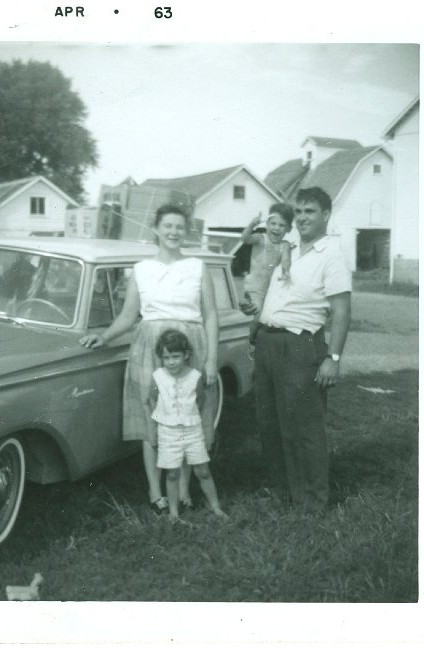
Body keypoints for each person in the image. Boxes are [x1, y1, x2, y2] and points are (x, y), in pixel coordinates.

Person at [79, 203, 219, 514]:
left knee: (186, 417)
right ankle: (155, 490)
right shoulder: (142, 268)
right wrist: (104, 336)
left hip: (190, 346)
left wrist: (210, 361)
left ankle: (182, 489)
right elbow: (129, 316)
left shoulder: (198, 266)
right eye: (167, 226)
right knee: (151, 417)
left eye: (180, 227)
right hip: (149, 346)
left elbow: (210, 316)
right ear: (155, 229)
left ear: (186, 231)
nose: (174, 232)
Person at [252, 186, 352, 511]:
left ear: (326, 215)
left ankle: (312, 499)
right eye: (299, 211)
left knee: (304, 425)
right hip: (268, 343)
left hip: (301, 346)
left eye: (310, 211)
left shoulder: (332, 256)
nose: (303, 217)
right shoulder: (289, 248)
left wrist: (332, 358)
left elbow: (341, 310)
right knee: (271, 424)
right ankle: (283, 491)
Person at [147, 329, 227, 520]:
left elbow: (199, 401)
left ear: (186, 355)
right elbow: (151, 398)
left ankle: (215, 507)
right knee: (172, 474)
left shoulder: (195, 377)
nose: (171, 362)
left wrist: (187, 416)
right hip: (168, 433)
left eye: (175, 356)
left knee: (202, 470)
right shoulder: (157, 377)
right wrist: (157, 424)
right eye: (166, 358)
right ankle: (174, 513)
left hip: (192, 431)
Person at [241, 202, 296, 312]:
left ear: (289, 229)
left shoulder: (284, 245)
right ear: (266, 224)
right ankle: (249, 306)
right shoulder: (260, 238)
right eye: (273, 224)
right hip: (254, 286)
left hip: (270, 288)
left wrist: (285, 271)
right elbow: (245, 239)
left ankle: (254, 320)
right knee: (257, 311)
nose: (277, 228)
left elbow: (286, 260)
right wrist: (252, 225)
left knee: (265, 313)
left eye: (282, 225)